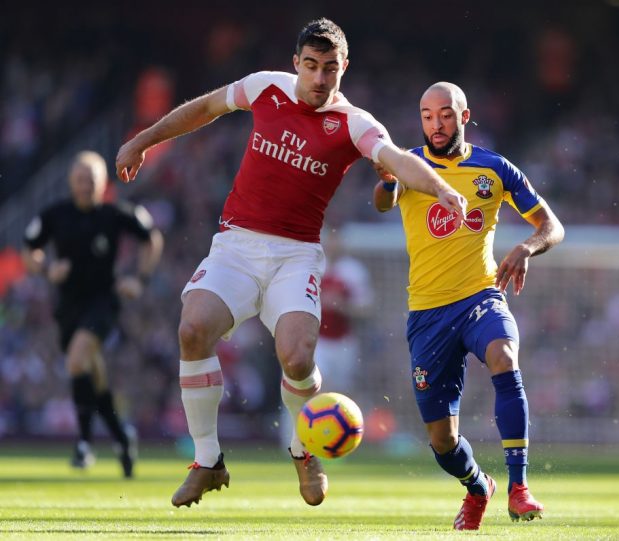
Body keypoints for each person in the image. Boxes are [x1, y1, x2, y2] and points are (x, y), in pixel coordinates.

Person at [115, 18, 466, 509]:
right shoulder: (265, 88)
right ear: (295, 62)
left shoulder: (355, 122)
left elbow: (394, 159)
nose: (319, 79)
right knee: (193, 329)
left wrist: (441, 186)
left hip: (295, 255)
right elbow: (205, 109)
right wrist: (143, 140)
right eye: (310, 66)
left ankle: (304, 451)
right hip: (236, 246)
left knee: (298, 357)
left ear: (344, 67)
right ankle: (207, 462)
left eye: (329, 69)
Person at [373, 82, 564, 530]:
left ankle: (519, 488)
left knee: (504, 355)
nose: (435, 124)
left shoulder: (494, 169)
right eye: (426, 115)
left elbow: (551, 224)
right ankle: (479, 485)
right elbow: (383, 203)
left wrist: (527, 247)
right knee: (443, 442)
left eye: (444, 114)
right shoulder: (408, 164)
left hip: (480, 296)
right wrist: (386, 179)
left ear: (464, 116)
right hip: (426, 314)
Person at [23, 150, 163, 478]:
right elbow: (30, 250)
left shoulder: (114, 214)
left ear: (103, 184)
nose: (86, 186)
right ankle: (122, 437)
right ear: (71, 182)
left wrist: (139, 279)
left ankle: (84, 444)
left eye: (92, 180)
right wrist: (46, 268)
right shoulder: (55, 215)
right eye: (80, 180)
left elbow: (151, 239)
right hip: (68, 305)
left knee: (76, 361)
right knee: (92, 376)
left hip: (103, 302)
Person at [313, 229, 373, 394]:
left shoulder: (353, 271)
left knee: (342, 393)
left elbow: (366, 309)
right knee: (313, 385)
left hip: (344, 342)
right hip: (317, 340)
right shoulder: (312, 266)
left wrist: (341, 306)